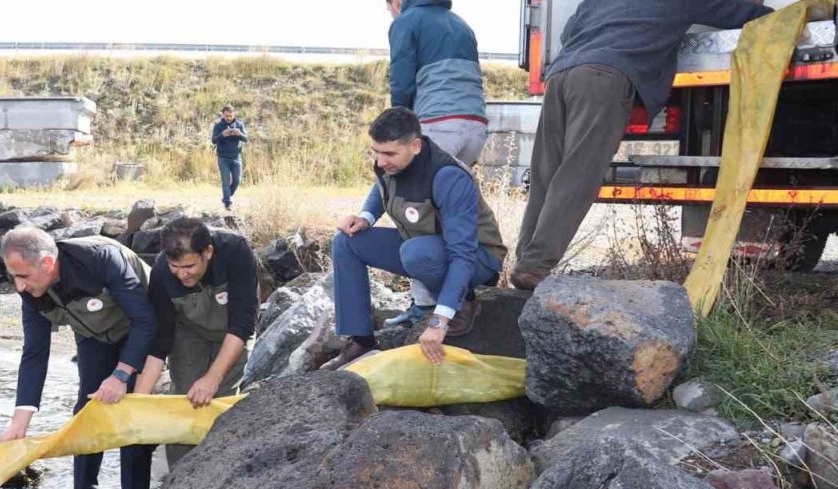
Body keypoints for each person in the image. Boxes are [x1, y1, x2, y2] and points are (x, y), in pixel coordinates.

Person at [508, 0, 774, 291]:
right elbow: (737, 13)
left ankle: (526, 262)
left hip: (561, 74)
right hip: (605, 76)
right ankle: (535, 267)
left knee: (545, 172)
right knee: (578, 174)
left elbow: (569, 32)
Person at [0, 227, 157, 489]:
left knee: (133, 414)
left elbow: (146, 321)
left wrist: (121, 375)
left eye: (23, 276)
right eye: (13, 276)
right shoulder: (30, 287)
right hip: (94, 336)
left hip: (139, 330)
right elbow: (34, 352)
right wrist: (20, 420)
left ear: (46, 263)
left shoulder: (101, 259)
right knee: (86, 412)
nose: (19, 285)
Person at [323, 107, 507, 371]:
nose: (380, 161)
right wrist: (366, 216)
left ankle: (465, 303)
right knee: (346, 241)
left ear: (416, 146)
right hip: (423, 246)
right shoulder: (392, 161)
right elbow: (382, 185)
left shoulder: (448, 176)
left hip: (478, 258)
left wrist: (439, 320)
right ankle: (361, 340)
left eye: (388, 153)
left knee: (416, 253)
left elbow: (462, 254)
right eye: (375, 151)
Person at [134, 217, 258, 468]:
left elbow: (242, 325)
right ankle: (178, 481)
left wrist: (212, 379)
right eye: (174, 266)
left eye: (189, 266)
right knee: (185, 399)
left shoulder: (236, 251)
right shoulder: (161, 272)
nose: (181, 274)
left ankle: (219, 475)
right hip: (187, 333)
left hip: (232, 333)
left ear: (208, 252)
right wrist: (139, 400)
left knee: (219, 403)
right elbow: (161, 340)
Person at [385, 0, 489, 167]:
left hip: (439, 123)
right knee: (455, 188)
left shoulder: (406, 21)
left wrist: (398, 124)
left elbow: (402, 82)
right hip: (477, 126)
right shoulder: (462, 24)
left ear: (397, 3)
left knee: (417, 188)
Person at [211, 105, 249, 212]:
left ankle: (227, 195)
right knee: (225, 181)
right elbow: (214, 140)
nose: (228, 118)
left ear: (234, 115)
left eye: (230, 116)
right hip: (223, 157)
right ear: (222, 114)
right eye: (226, 116)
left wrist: (239, 133)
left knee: (237, 180)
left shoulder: (239, 124)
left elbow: (246, 139)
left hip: (236, 157)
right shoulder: (218, 125)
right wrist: (223, 134)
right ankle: (228, 203)